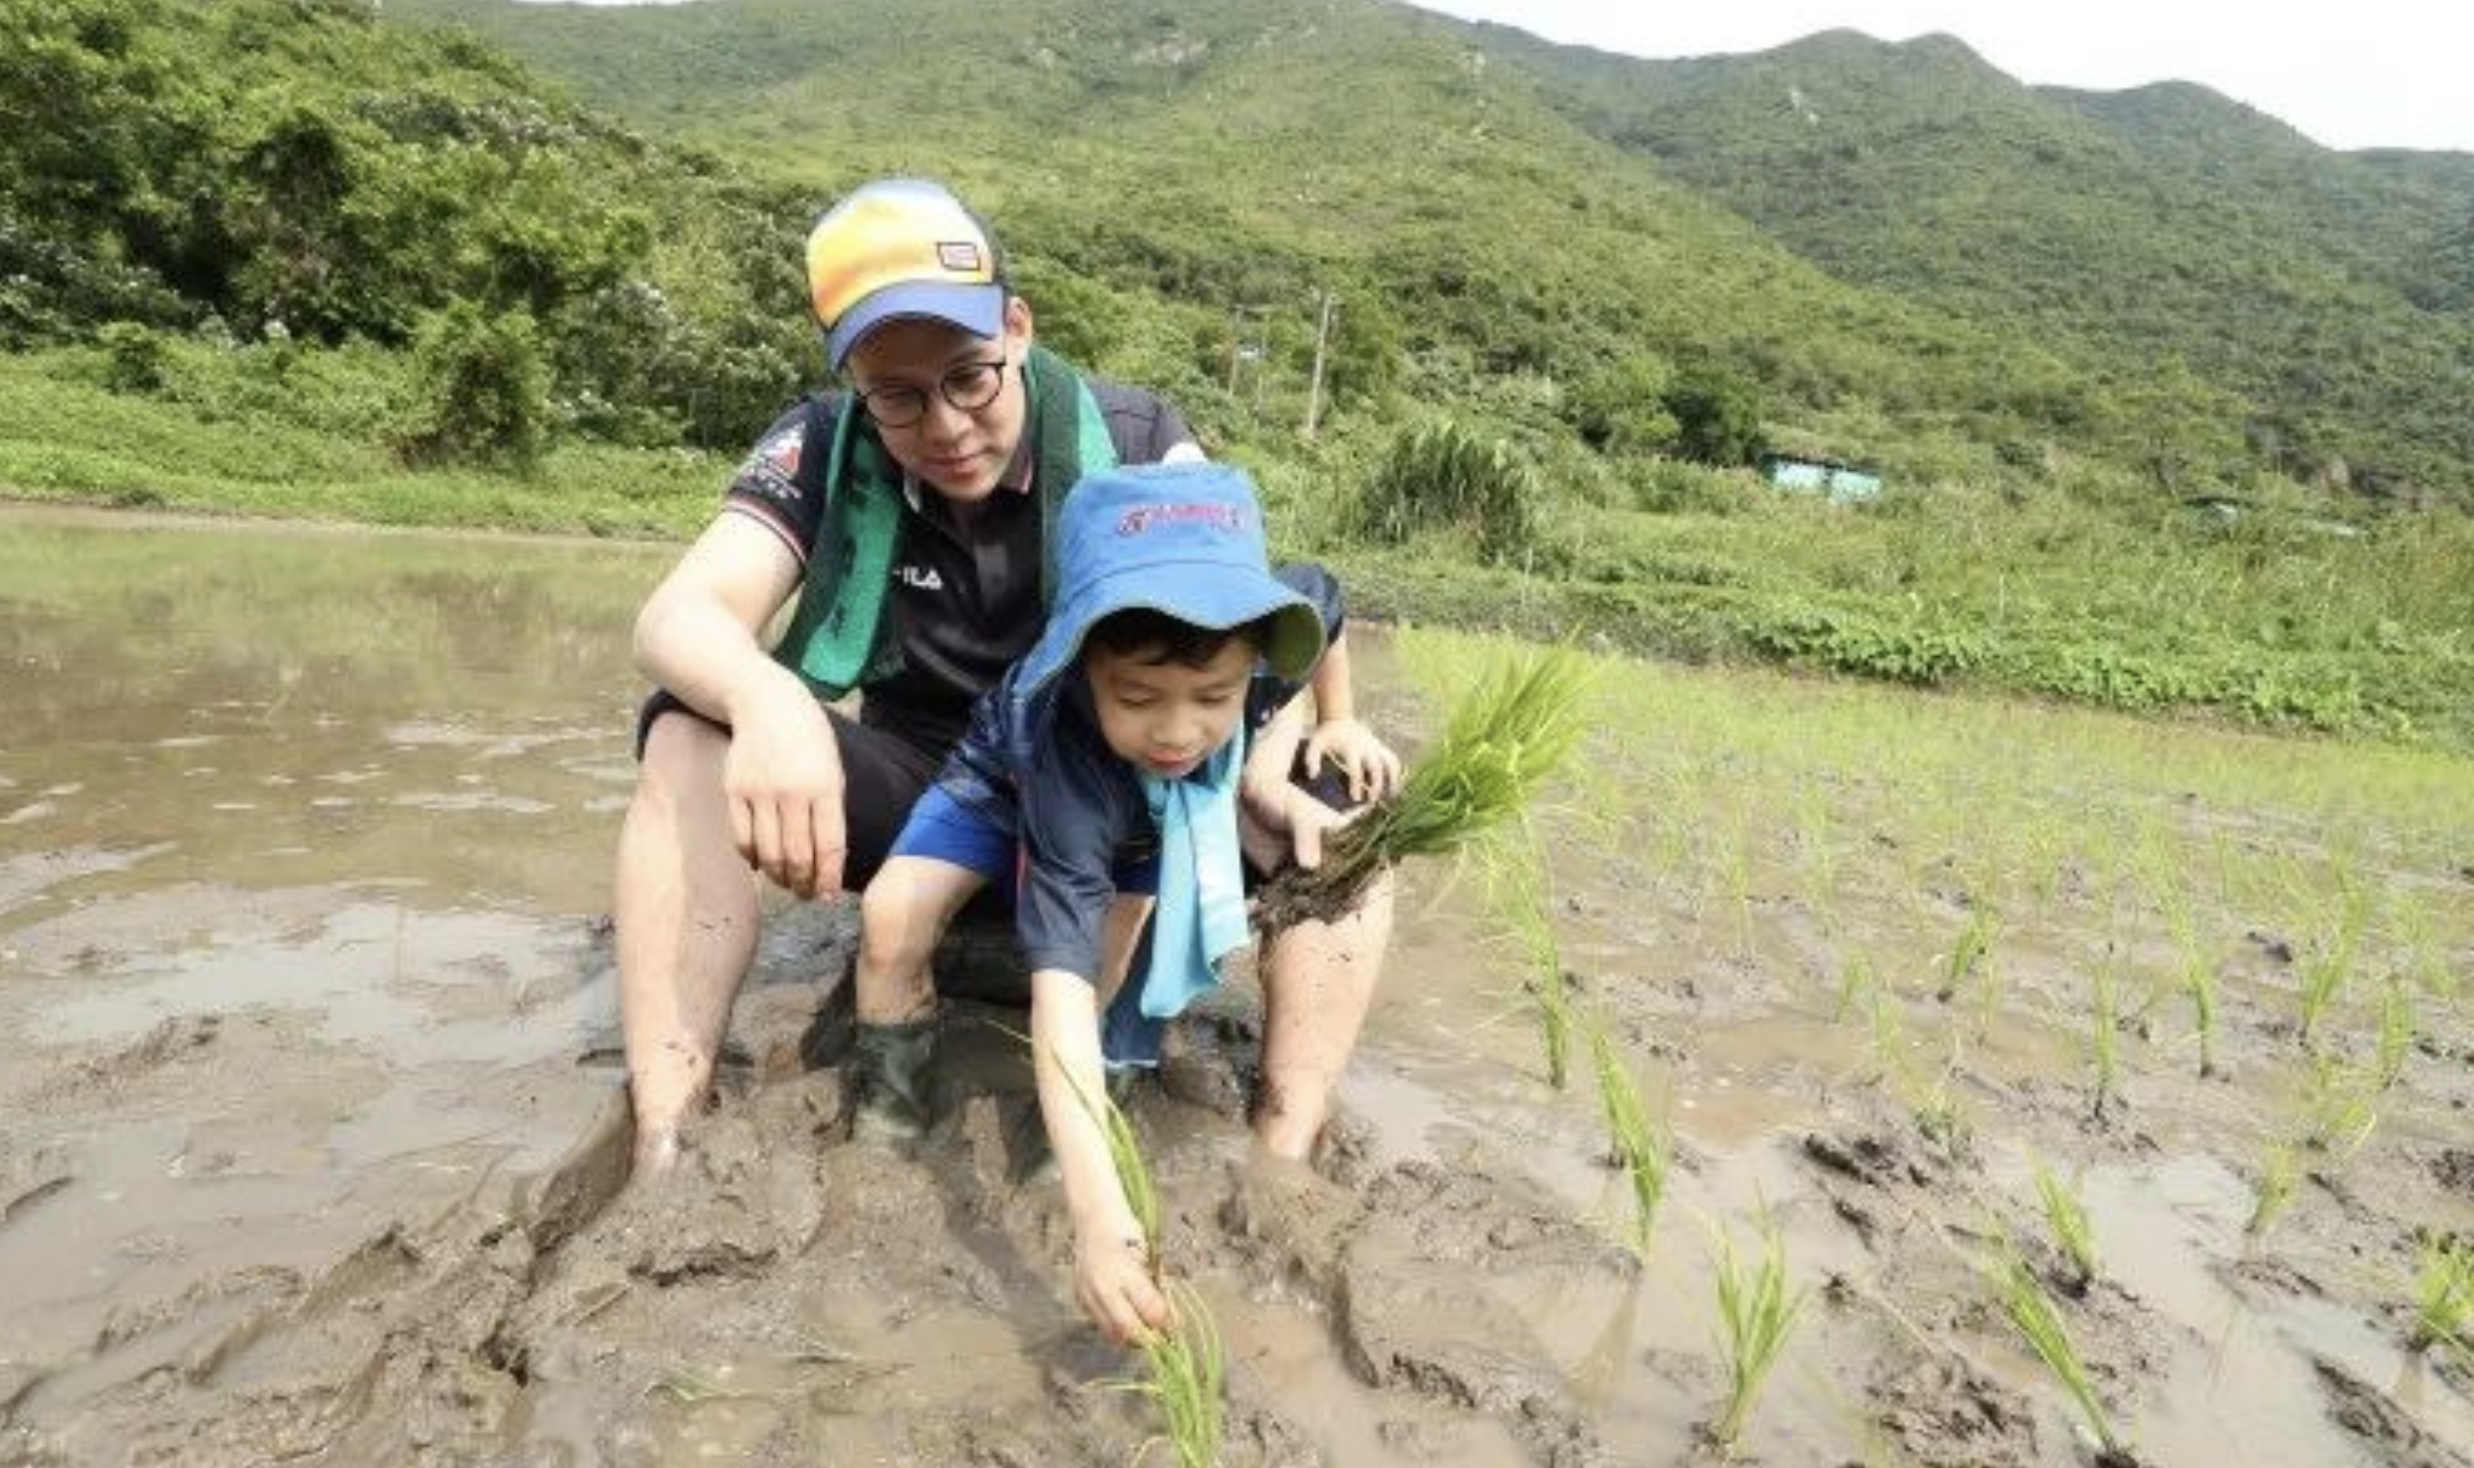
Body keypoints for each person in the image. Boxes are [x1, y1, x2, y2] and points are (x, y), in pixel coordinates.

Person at [615, 176, 1209, 1177]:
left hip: (1096, 806)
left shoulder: (1140, 443)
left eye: (968, 375)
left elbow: (1224, 625)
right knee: (686, 722)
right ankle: (665, 1133)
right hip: (919, 807)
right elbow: (676, 615)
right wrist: (767, 698)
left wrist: (1308, 736)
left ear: (1015, 328)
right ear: (854, 383)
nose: (941, 423)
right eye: (897, 394)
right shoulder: (821, 443)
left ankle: (1287, 1142)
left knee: (1337, 791)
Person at [855, 461, 1400, 1346]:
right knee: (889, 925)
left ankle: (1063, 1134)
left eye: (1214, 698)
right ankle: (886, 1126)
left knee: (1116, 955)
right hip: (1001, 776)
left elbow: (1324, 600)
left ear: (1255, 658)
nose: (1180, 730)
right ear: (1082, 665)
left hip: (1144, 808)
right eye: (1138, 697)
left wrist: (1337, 715)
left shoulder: (1256, 639)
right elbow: (1054, 995)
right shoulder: (1072, 752)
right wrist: (1102, 1220)